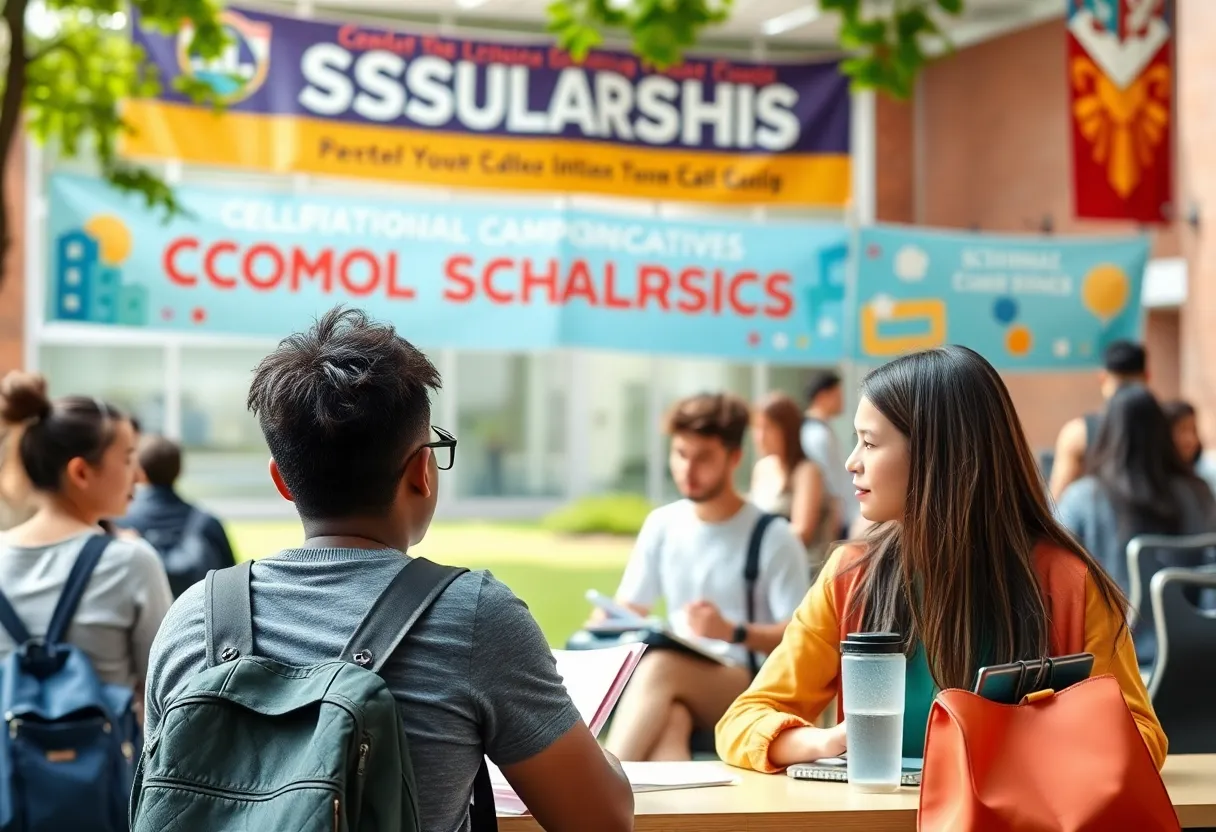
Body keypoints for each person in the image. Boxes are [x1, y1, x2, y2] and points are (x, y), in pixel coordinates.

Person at [142, 307, 633, 832]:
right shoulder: (474, 617)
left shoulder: (193, 616)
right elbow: (601, 819)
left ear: (282, 480)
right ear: (422, 471)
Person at [716, 345, 1166, 773]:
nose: (852, 462)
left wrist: (1032, 739)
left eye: (870, 444)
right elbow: (742, 722)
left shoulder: (1069, 583)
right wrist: (829, 741)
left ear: (937, 454)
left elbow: (1144, 736)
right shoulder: (851, 577)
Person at [601, 392, 811, 762]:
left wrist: (731, 631)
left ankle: (594, 785)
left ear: (734, 458)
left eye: (703, 458)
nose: (688, 469)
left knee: (660, 669)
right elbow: (631, 605)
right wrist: (607, 620)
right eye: (680, 454)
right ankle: (672, 819)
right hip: (680, 678)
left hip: (748, 684)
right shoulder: (662, 524)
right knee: (672, 721)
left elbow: (801, 639)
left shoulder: (773, 536)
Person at [0, 371, 173, 699]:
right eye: (126, 459)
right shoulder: (130, 561)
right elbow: (165, 690)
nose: (137, 475)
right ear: (80, 472)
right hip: (106, 752)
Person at [1058, 386, 1216, 595]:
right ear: (1163, 434)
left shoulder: (1082, 498)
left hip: (1110, 626)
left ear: (1107, 434)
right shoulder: (1199, 493)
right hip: (1190, 625)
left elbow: (1057, 565)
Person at [118, 434, 238, 595]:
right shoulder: (207, 522)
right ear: (179, 471)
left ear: (139, 472)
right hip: (199, 617)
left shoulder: (120, 525)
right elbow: (234, 582)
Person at [750, 392, 837, 573]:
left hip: (802, 568)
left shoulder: (807, 471)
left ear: (788, 431)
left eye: (768, 428)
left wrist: (754, 540)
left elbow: (803, 532)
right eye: (756, 428)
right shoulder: (762, 468)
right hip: (766, 566)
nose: (760, 436)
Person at [1049, 339, 1147, 500]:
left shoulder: (1078, 434)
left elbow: (1057, 501)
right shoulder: (1169, 428)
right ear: (1147, 377)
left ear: (1102, 377)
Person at [800, 371, 858, 538]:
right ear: (822, 396)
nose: (842, 400)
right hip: (834, 520)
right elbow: (829, 484)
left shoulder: (822, 429)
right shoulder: (815, 434)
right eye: (837, 394)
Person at [1163, 399, 1216, 497]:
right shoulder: (1159, 482)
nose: (1190, 439)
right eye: (1182, 430)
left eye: (1193, 430)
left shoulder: (1206, 475)